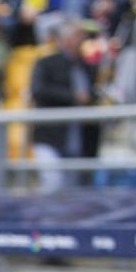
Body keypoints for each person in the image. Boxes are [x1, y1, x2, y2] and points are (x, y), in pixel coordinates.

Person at [29, 20, 101, 191]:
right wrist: (73, 97)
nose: (83, 39)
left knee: (73, 191)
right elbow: (38, 90)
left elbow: (91, 95)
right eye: (78, 35)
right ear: (66, 39)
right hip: (50, 135)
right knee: (53, 183)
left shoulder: (88, 67)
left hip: (79, 137)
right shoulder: (47, 63)